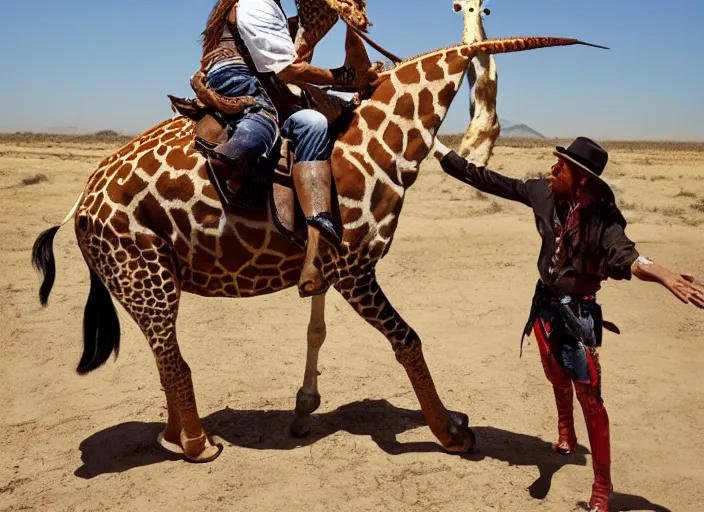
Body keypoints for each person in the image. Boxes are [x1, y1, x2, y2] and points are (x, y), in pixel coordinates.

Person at [432, 136, 704, 512]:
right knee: (553, 372)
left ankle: (603, 487)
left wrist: (664, 275)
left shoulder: (602, 220)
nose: (551, 171)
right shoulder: (543, 194)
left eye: (560, 168)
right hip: (544, 305)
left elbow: (630, 256)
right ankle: (565, 432)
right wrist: (445, 155)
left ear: (580, 179)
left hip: (577, 316)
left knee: (590, 397)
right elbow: (492, 181)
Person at [199, 0, 380, 296]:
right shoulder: (257, 4)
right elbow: (288, 69)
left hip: (244, 75)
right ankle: (235, 157)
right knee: (267, 118)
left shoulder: (262, 7)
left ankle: (316, 247)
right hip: (241, 78)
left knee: (312, 122)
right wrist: (344, 77)